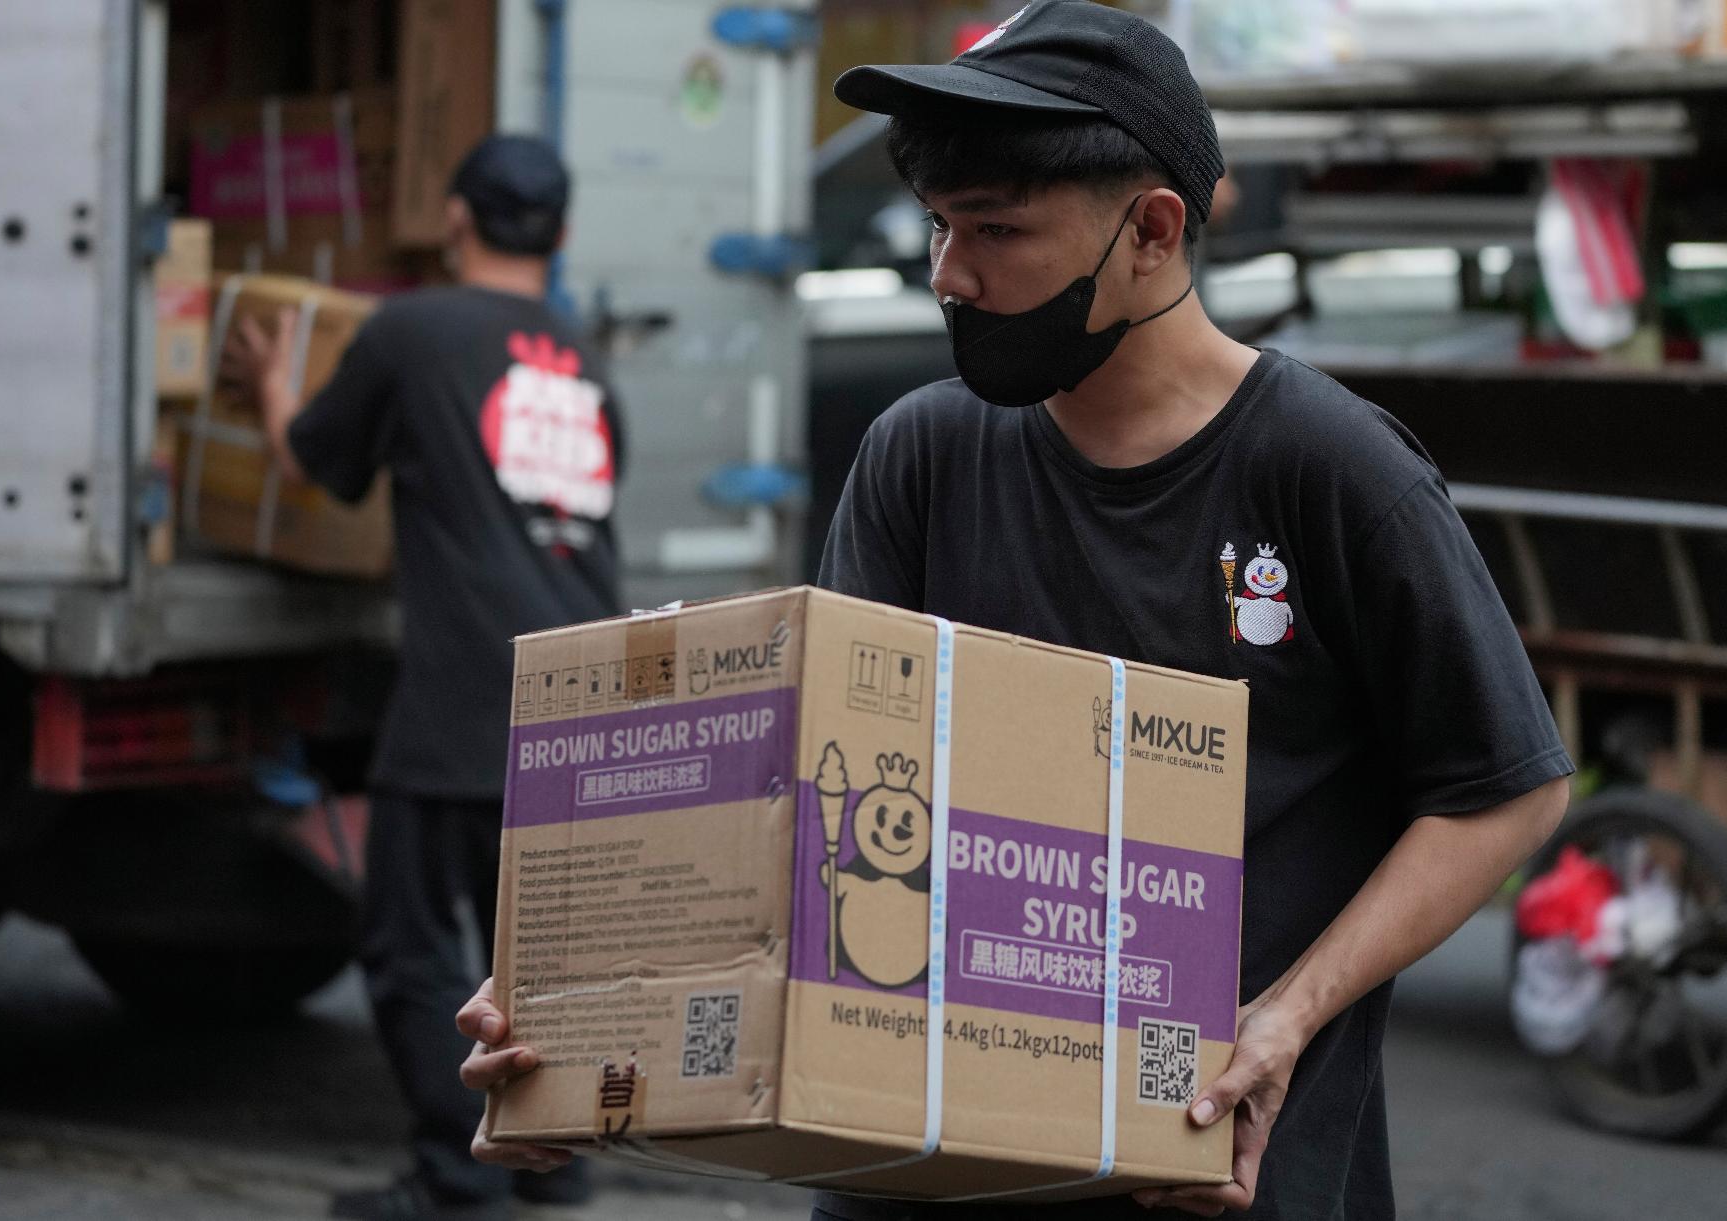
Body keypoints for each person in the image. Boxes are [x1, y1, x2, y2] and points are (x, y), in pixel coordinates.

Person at [454, 4, 1571, 1218]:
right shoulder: (921, 455)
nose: (948, 275)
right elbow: (814, 795)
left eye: (994, 230)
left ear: (1150, 231)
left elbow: (1504, 787)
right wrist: (581, 1017)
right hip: (912, 1165)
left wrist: (1285, 1019)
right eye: (939, 227)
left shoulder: (1330, 471)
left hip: (1207, 1169)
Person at [224, 133, 618, 1221]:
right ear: (563, 235)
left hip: (462, 698)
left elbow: (315, 461)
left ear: (453, 220)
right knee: (538, 961)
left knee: (407, 947)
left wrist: (269, 387)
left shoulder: (410, 330)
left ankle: (458, 1176)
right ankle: (557, 1162)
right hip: (583, 692)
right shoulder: (581, 358)